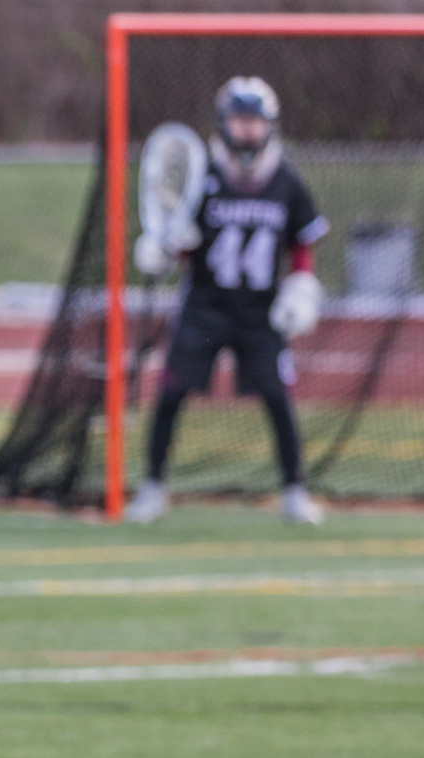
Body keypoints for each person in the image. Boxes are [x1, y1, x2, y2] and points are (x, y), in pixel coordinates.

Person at [129, 77, 329, 525]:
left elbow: (302, 246)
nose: (247, 130)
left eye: (255, 121)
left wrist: (301, 289)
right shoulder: (203, 178)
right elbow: (181, 239)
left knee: (278, 398)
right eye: (240, 120)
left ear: (270, 125)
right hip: (205, 305)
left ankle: (295, 492)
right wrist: (161, 250)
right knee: (171, 392)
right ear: (223, 123)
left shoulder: (286, 181)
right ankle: (153, 487)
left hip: (260, 311)